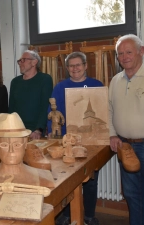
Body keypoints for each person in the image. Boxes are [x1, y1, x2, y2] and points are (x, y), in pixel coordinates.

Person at [109, 34, 144, 225]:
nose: (124, 57)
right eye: (120, 54)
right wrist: (112, 135)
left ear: (141, 51)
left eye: (129, 52)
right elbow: (109, 110)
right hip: (125, 148)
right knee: (134, 199)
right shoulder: (115, 81)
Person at [48, 52, 103, 225]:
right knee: (66, 180)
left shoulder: (96, 85)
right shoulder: (59, 87)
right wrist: (51, 131)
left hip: (91, 143)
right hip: (67, 143)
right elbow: (51, 113)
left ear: (85, 66)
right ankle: (66, 216)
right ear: (67, 69)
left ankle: (89, 216)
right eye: (71, 66)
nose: (75, 68)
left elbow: (102, 112)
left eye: (78, 65)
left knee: (90, 181)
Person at [9, 50, 53, 140]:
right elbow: (11, 108)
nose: (20, 63)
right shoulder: (15, 82)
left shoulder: (45, 79)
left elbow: (45, 106)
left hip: (35, 131)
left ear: (34, 62)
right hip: (17, 130)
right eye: (19, 61)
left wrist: (39, 129)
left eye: (23, 60)